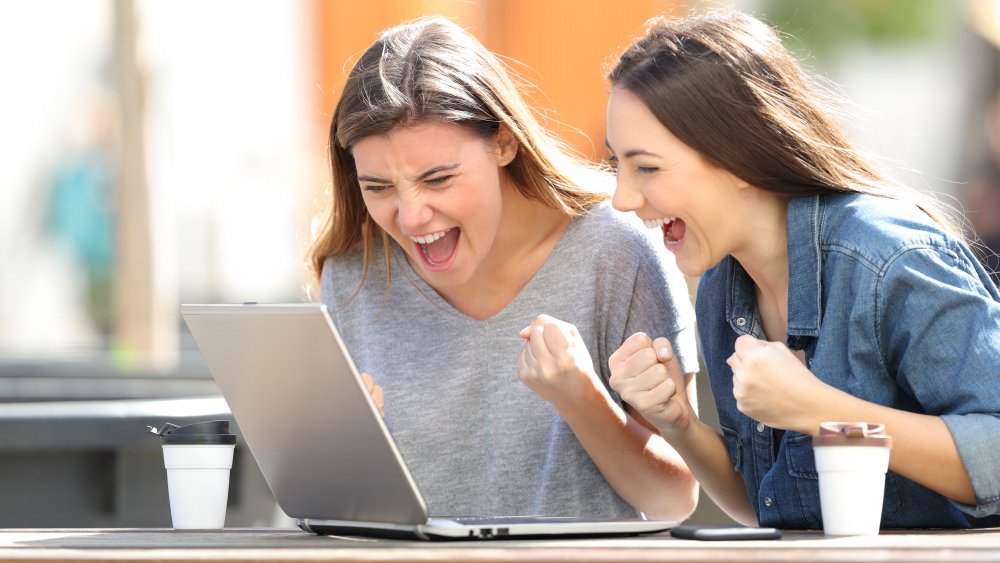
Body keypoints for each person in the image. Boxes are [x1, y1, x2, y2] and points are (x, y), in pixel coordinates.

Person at [605, 11, 1000, 529]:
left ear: (737, 155)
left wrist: (819, 409)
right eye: (617, 165)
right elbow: (768, 510)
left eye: (647, 167)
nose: (621, 198)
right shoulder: (725, 284)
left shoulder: (890, 261)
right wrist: (679, 424)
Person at [306, 17, 699, 520]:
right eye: (378, 187)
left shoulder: (617, 251)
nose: (410, 216)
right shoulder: (354, 276)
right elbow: (331, 510)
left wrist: (583, 399)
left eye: (438, 179)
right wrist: (340, 460)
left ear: (504, 143)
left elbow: (676, 499)